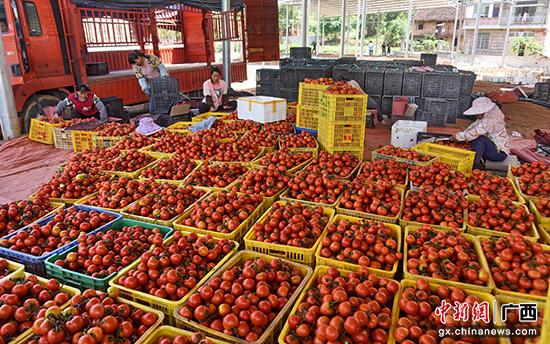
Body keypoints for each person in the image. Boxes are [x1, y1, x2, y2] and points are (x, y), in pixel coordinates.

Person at [453, 97, 510, 169]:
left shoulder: (491, 121)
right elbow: (472, 127)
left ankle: (475, 166)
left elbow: (475, 132)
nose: (476, 115)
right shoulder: (484, 118)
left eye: (477, 113)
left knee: (479, 139)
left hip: (499, 154)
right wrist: (462, 134)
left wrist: (458, 137)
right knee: (475, 139)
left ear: (484, 112)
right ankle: (478, 160)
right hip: (492, 148)